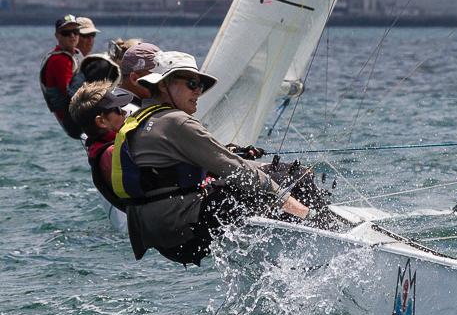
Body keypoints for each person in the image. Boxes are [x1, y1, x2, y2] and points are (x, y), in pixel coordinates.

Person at [110, 51, 310, 265]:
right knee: (293, 175)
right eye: (192, 84)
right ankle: (317, 223)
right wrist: (289, 201)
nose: (198, 92)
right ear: (163, 84)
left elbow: (211, 163)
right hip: (183, 229)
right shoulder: (176, 121)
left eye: (201, 86)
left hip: (159, 233)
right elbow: (234, 168)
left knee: (268, 176)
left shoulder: (143, 118)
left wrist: (264, 168)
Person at [68, 81, 134, 212]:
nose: (124, 113)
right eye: (118, 110)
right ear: (101, 121)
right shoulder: (111, 153)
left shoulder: (101, 148)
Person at [40, 14, 85, 138]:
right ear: (57, 36)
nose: (72, 36)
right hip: (71, 119)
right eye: (66, 33)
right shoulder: (59, 60)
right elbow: (69, 93)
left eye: (76, 32)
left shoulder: (74, 54)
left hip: (74, 115)